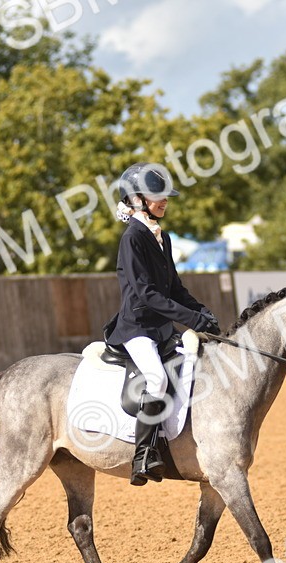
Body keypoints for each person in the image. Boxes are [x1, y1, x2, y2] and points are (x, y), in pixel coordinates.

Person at [103, 162, 221, 486]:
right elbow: (148, 294)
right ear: (137, 199)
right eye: (158, 196)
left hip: (162, 330)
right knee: (155, 379)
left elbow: (175, 289)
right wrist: (190, 320)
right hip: (137, 327)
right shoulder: (132, 238)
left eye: (166, 196)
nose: (164, 201)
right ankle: (142, 456)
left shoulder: (161, 237)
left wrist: (202, 312)